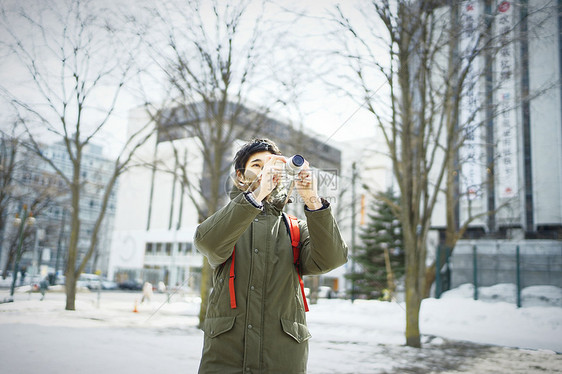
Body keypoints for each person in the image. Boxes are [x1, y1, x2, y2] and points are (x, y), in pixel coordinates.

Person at [194, 138, 348, 373]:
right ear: (240, 177)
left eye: (272, 165)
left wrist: (312, 200)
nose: (265, 170)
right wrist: (257, 193)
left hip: (281, 361)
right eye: (257, 165)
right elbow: (208, 242)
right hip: (226, 359)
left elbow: (332, 259)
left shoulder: (295, 228)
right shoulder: (227, 222)